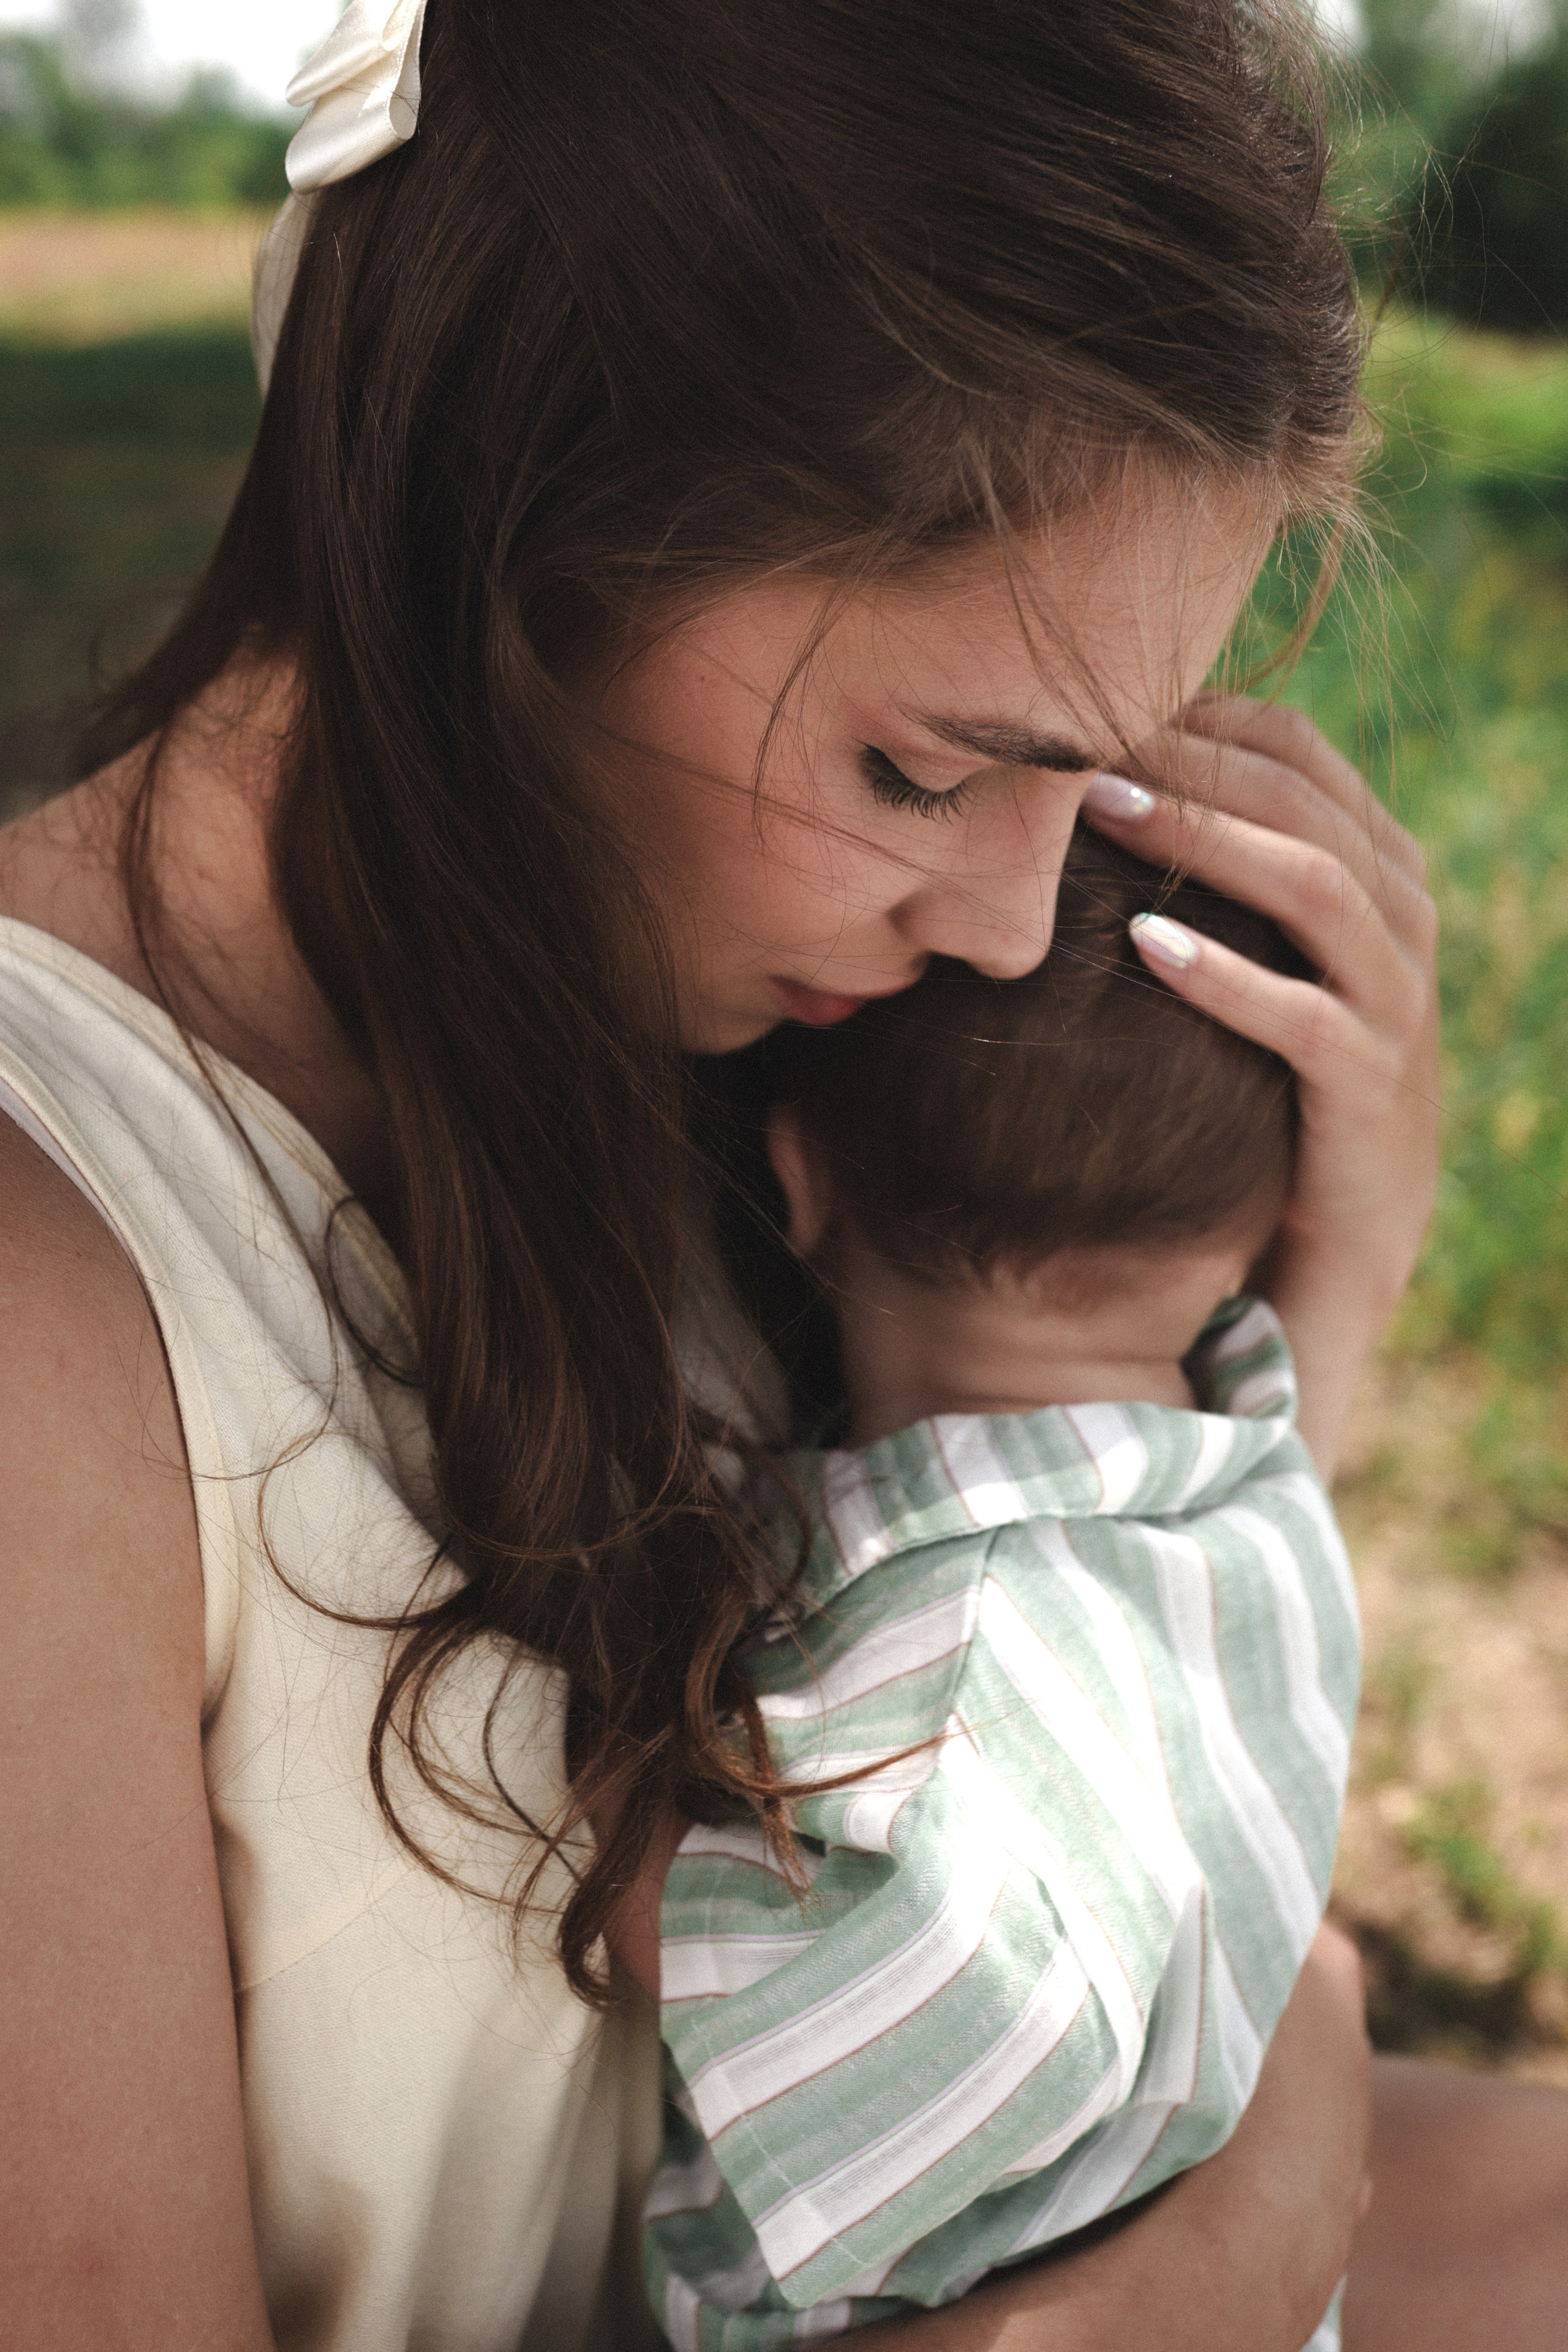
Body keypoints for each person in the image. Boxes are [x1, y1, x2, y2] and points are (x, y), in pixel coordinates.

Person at [0, 1, 1561, 2347]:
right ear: (516, 518)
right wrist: (1256, 2215)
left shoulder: (712, 1034)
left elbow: (1024, 1766)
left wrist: (1295, 1318)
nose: (1022, 932)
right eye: (930, 772)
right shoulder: (53, 1323)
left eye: (1102, 785)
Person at [637, 836, 1357, 2351]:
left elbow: (947, 2018)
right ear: (1239, 1241)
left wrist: (622, 1848)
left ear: (793, 1177)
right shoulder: (1248, 1502)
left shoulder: (952, 1660)